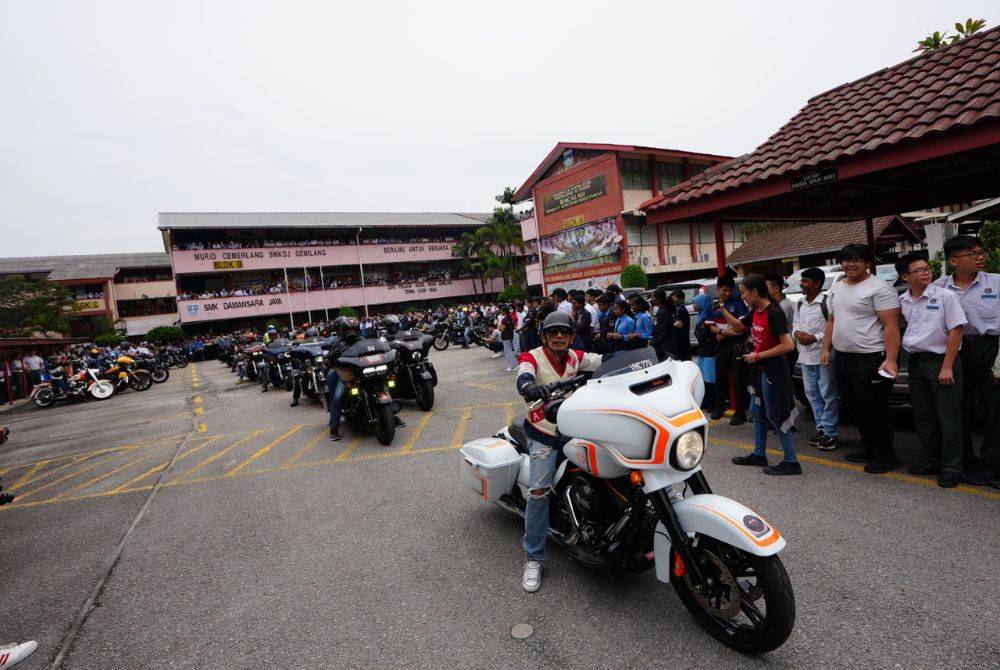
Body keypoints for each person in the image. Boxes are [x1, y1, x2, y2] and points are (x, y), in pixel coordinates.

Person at [514, 311, 603, 592]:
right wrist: (529, 387)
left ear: (571, 335)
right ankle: (534, 556)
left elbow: (605, 361)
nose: (559, 336)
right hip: (545, 434)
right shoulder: (532, 356)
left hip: (574, 427)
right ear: (544, 337)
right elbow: (524, 375)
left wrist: (647, 356)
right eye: (553, 332)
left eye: (564, 332)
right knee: (539, 492)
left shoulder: (576, 357)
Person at [821, 243, 902, 473]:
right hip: (844, 357)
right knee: (853, 405)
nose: (851, 264)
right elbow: (832, 321)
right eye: (847, 260)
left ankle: (886, 456)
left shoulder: (880, 288)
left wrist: (892, 359)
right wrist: (826, 349)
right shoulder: (837, 286)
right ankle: (869, 449)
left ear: (867, 262)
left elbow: (891, 326)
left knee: (875, 407)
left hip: (872, 357)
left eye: (857, 259)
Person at [933, 235, 1000, 487]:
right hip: (954, 350)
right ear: (953, 261)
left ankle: (993, 464)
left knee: (994, 406)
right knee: (957, 407)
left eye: (981, 252)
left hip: (988, 348)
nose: (980, 257)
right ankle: (962, 462)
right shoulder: (939, 288)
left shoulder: (996, 282)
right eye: (972, 254)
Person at [896, 253, 966, 488]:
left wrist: (947, 366)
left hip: (941, 361)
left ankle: (952, 467)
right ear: (906, 276)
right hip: (917, 362)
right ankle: (931, 460)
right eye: (919, 270)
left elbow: (956, 331)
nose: (926, 272)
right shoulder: (903, 301)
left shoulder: (945, 296)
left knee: (949, 417)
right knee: (924, 416)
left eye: (927, 268)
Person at [729, 275, 800, 475]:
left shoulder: (774, 312)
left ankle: (791, 461)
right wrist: (722, 310)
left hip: (774, 371)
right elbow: (738, 328)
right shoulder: (755, 310)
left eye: (743, 292)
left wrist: (758, 355)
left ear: (754, 292)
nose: (741, 296)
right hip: (759, 369)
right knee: (757, 412)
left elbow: (788, 345)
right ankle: (759, 454)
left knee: (775, 415)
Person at [792, 267, 838, 450]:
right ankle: (821, 429)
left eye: (805, 281)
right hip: (805, 357)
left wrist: (815, 337)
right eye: (802, 281)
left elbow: (833, 326)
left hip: (823, 355)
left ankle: (830, 433)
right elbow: (795, 324)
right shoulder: (801, 303)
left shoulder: (826, 302)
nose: (802, 284)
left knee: (828, 394)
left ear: (817, 284)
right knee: (812, 395)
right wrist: (797, 333)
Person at [709, 276, 751, 425]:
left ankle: (740, 413)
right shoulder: (712, 304)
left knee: (739, 379)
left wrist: (727, 332)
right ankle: (719, 407)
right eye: (724, 290)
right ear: (718, 289)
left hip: (737, 346)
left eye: (730, 290)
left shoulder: (738, 303)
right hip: (721, 346)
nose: (727, 293)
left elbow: (742, 325)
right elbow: (710, 325)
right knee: (720, 378)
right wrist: (721, 333)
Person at [693, 293, 717, 410]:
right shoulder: (699, 315)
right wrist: (698, 332)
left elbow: (702, 335)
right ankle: (705, 401)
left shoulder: (708, 316)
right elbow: (698, 334)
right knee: (703, 378)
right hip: (702, 351)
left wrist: (697, 332)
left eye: (695, 303)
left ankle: (712, 403)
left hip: (709, 351)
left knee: (710, 379)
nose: (693, 305)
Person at [651, 289, 677, 361]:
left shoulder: (664, 312)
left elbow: (662, 331)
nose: (651, 300)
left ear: (659, 299)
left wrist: (654, 341)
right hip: (662, 345)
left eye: (653, 297)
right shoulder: (661, 310)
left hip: (666, 347)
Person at [670, 290, 691, 361]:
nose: (673, 302)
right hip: (680, 342)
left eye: (674, 300)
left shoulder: (682, 311)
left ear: (681, 299)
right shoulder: (677, 310)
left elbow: (679, 326)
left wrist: (672, 325)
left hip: (682, 343)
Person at [499, 306, 517, 371]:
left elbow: (502, 329)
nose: (500, 312)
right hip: (511, 335)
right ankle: (515, 364)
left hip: (505, 336)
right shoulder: (510, 318)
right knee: (512, 351)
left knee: (508, 351)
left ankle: (513, 366)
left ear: (504, 311)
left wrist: (499, 327)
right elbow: (514, 326)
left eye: (501, 311)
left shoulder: (504, 319)